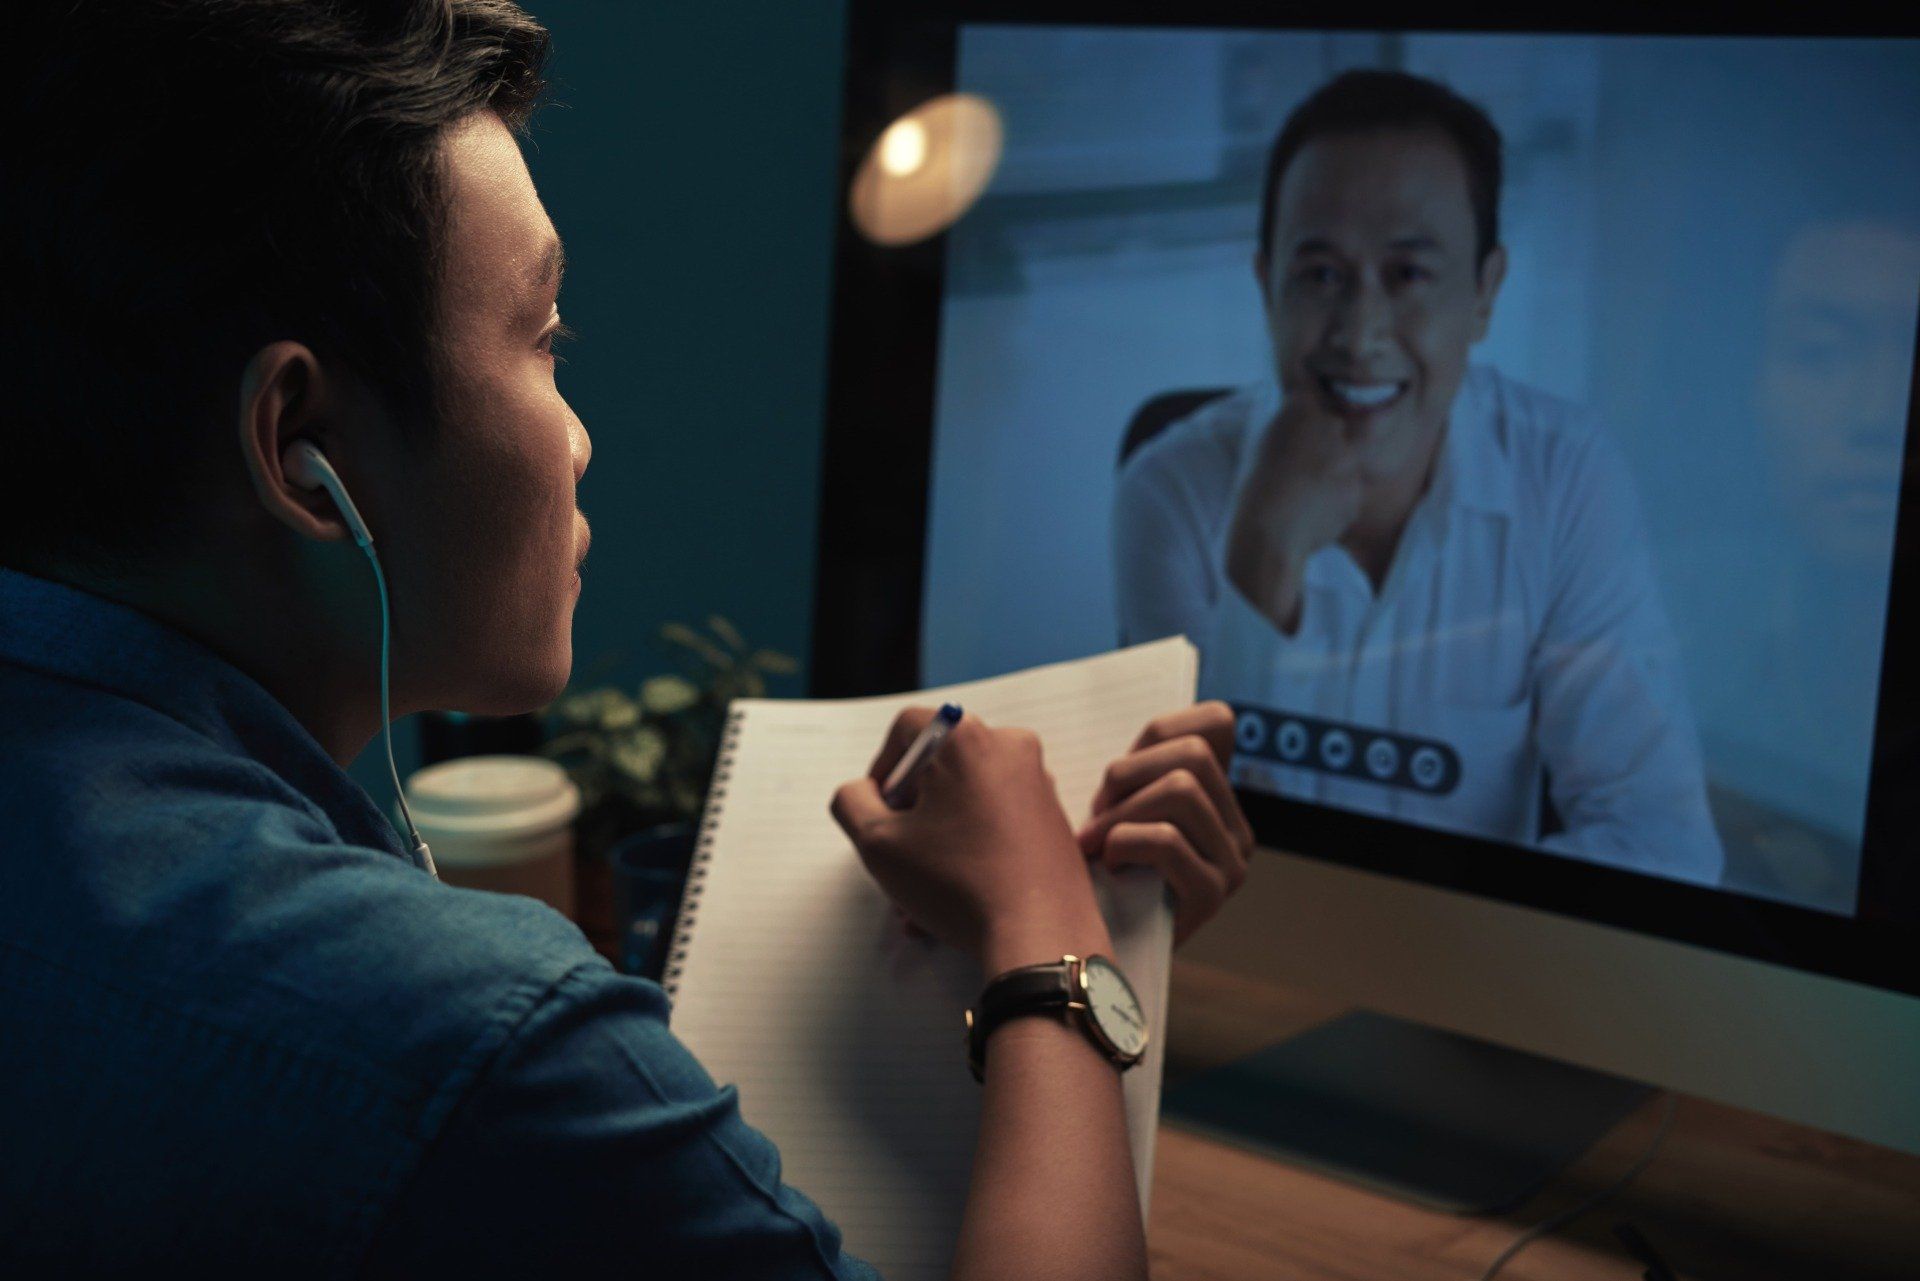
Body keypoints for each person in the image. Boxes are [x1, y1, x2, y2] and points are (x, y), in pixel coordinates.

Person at [0, 3, 1253, 1276]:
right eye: (544, 337)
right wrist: (1057, 935)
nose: (582, 435)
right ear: (300, 455)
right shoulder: (472, 1046)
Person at [1113, 69, 1722, 884]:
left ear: (1483, 293)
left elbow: (1664, 844)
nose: (1360, 334)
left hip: (1477, 973)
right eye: (1321, 274)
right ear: (1268, 289)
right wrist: (1261, 555)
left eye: (1408, 275)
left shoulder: (1566, 474)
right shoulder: (1169, 487)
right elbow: (1169, 856)